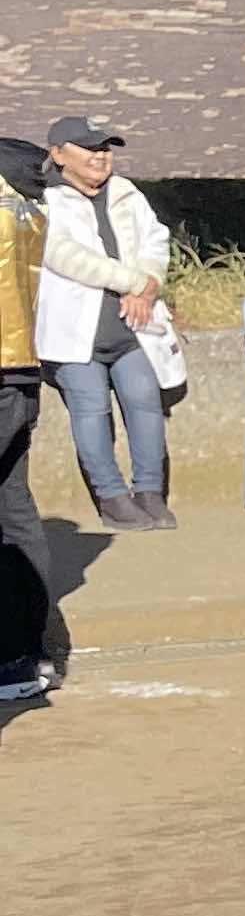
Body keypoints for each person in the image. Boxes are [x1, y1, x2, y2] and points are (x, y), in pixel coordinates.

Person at [33, 115, 175, 528]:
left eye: (105, 147)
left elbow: (156, 239)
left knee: (145, 401)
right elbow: (63, 255)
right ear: (59, 155)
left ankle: (150, 492)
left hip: (133, 328)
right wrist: (134, 282)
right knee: (91, 409)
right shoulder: (44, 202)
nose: (100, 156)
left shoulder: (126, 192)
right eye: (89, 148)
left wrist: (150, 283)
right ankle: (112, 498)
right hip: (73, 334)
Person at [0, 145, 58, 696]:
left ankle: (16, 658)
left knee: (12, 513)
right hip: (21, 373)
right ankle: (27, 655)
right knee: (13, 511)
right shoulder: (27, 201)